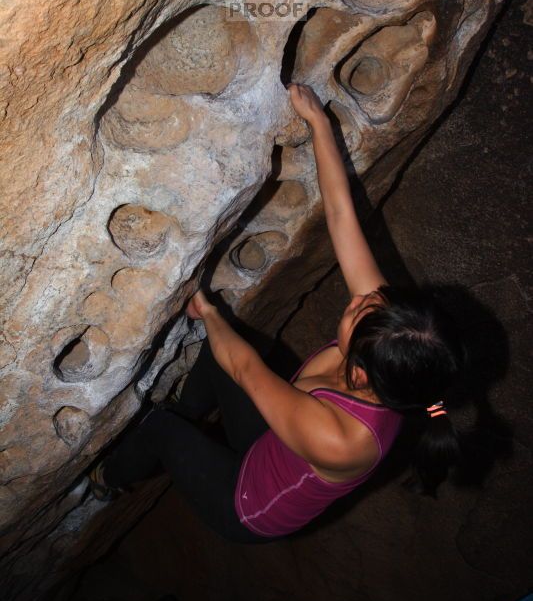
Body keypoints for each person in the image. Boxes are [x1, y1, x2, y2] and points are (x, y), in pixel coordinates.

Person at [89, 84, 466, 542]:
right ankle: (188, 410)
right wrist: (319, 125)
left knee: (163, 427)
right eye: (373, 300)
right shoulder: (389, 338)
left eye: (358, 312)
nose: (358, 298)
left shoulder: (344, 440)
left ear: (363, 375)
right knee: (224, 354)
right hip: (273, 440)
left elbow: (247, 371)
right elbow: (342, 217)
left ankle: (106, 481)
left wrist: (206, 309)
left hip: (247, 501)